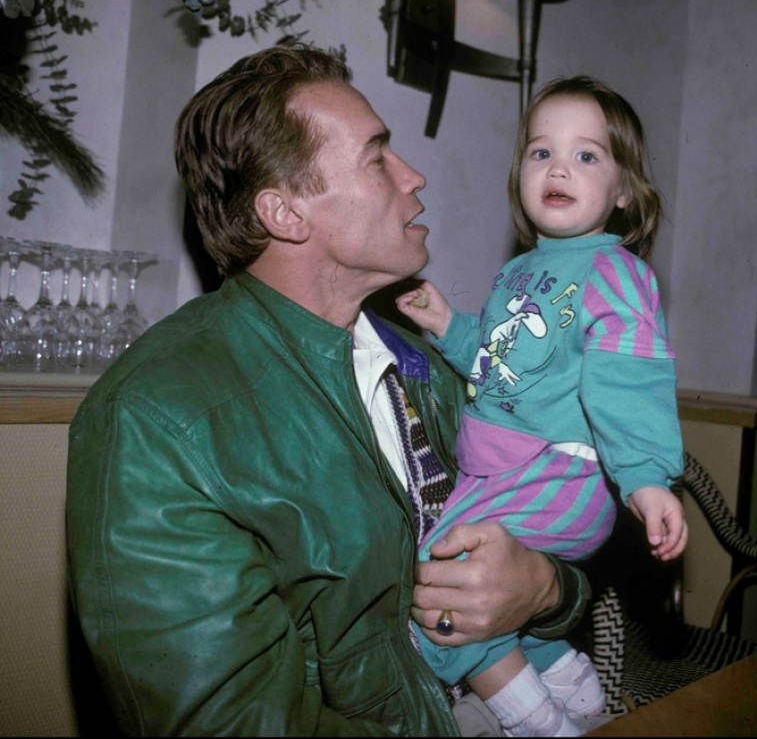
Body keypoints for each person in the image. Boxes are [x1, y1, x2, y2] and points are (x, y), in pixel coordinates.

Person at [65, 44, 593, 737]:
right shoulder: (156, 418)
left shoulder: (424, 365)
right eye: (377, 158)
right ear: (285, 213)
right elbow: (229, 723)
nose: (413, 176)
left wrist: (546, 588)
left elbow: (538, 535)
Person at [397, 76, 689, 737]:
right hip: (498, 470)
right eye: (540, 152)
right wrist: (448, 325)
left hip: (556, 473)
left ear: (623, 190)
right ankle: (574, 690)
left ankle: (540, 725)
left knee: (440, 599)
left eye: (586, 155)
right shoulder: (520, 271)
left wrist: (645, 476)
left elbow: (629, 378)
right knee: (485, 598)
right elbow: (502, 365)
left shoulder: (612, 271)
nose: (558, 168)